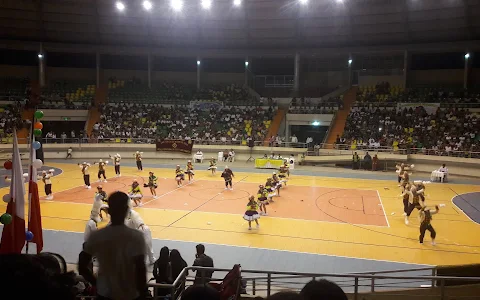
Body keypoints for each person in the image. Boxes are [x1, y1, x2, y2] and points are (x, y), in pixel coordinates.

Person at [78, 191, 147, 300]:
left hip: (104, 294)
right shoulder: (136, 237)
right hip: (130, 294)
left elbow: (82, 265)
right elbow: (141, 270)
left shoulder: (97, 235)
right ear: (127, 210)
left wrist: (95, 283)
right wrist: (143, 294)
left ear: (109, 211)